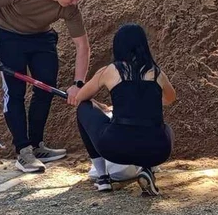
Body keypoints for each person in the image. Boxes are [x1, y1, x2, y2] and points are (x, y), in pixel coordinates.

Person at [0, 0, 91, 173]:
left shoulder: (70, 8)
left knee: (46, 88)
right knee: (15, 92)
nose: (76, 2)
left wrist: (78, 84)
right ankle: (23, 151)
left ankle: (37, 146)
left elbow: (83, 46)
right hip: (10, 36)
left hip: (41, 38)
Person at [68, 24, 176, 196]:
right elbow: (169, 99)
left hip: (115, 147)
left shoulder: (110, 70)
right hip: (158, 149)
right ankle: (147, 169)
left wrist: (98, 104)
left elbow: (81, 97)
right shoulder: (157, 73)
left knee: (83, 109)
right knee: (165, 128)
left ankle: (103, 177)